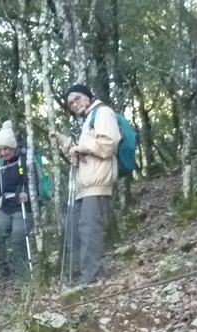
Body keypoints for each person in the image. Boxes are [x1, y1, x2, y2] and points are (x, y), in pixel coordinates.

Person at [54, 83, 120, 287]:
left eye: (77, 99)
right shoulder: (84, 122)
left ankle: (91, 277)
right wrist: (67, 146)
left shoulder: (103, 113)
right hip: (83, 185)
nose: (74, 104)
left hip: (98, 182)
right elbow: (79, 159)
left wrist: (80, 146)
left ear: (87, 96)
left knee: (89, 230)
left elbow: (109, 144)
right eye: (70, 103)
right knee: (73, 229)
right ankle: (77, 275)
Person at [0, 121, 36, 283]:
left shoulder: (26, 160)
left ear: (13, 147)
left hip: (23, 206)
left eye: (6, 149)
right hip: (5, 207)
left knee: (18, 237)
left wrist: (29, 196)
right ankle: (1, 269)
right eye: (0, 150)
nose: (3, 153)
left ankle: (22, 274)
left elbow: (33, 183)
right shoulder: (1, 166)